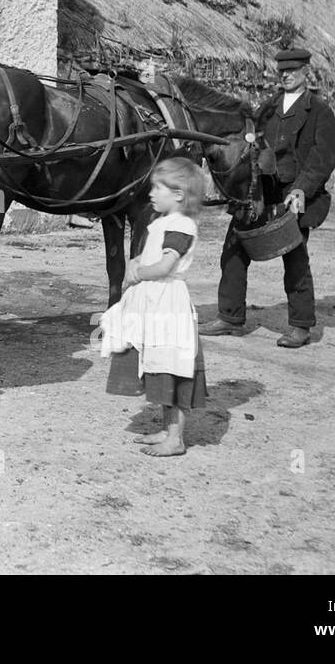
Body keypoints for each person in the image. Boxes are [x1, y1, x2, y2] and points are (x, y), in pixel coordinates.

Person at [203, 47, 335, 348]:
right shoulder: (267, 108)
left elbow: (322, 158)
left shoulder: (319, 111)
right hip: (260, 191)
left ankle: (301, 326)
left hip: (294, 194)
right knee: (233, 249)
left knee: (295, 258)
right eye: (282, 71)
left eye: (293, 70)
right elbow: (250, 143)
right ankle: (230, 316)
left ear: (306, 73)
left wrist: (302, 188)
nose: (286, 75)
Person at [98, 157, 206, 458]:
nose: (151, 192)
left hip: (168, 305)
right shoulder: (162, 222)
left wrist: (139, 274)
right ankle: (167, 428)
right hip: (154, 303)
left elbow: (167, 264)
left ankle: (176, 439)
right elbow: (152, 257)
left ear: (179, 194)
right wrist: (136, 263)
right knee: (159, 366)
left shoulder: (182, 225)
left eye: (159, 188)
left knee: (173, 368)